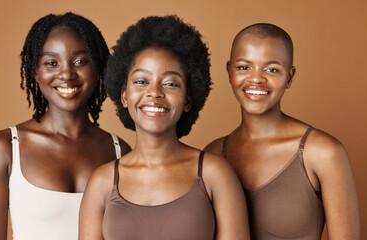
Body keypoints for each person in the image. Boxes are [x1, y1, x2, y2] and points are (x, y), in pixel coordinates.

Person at [79, 15, 250, 240]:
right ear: (124, 96)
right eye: (141, 81)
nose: (155, 93)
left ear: (188, 99)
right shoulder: (101, 182)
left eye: (170, 83)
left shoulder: (214, 174)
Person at [0, 12, 130, 240]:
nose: (66, 74)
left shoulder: (120, 152)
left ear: (98, 67)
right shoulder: (4, 148)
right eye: (51, 63)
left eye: (80, 61)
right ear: (35, 71)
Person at [205, 23, 360, 239]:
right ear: (229, 71)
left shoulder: (323, 152)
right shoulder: (213, 154)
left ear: (289, 76)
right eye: (243, 67)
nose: (256, 78)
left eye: (271, 69)